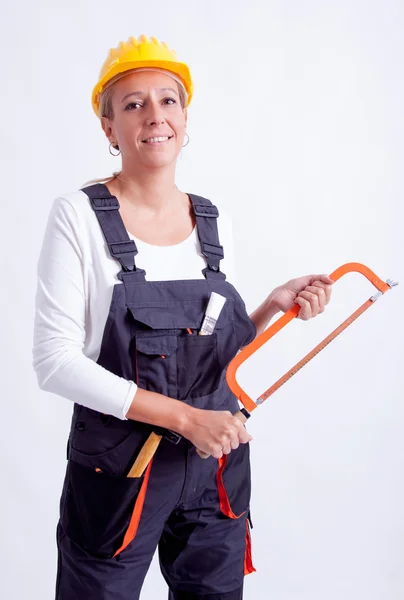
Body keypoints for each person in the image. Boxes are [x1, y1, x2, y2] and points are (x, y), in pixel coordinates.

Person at [32, 34, 334, 600]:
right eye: (133, 103)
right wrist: (183, 419)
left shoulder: (211, 221)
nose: (155, 116)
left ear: (185, 116)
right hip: (122, 470)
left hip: (214, 463)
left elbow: (221, 353)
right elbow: (54, 363)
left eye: (168, 100)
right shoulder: (77, 215)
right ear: (108, 128)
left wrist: (274, 305)